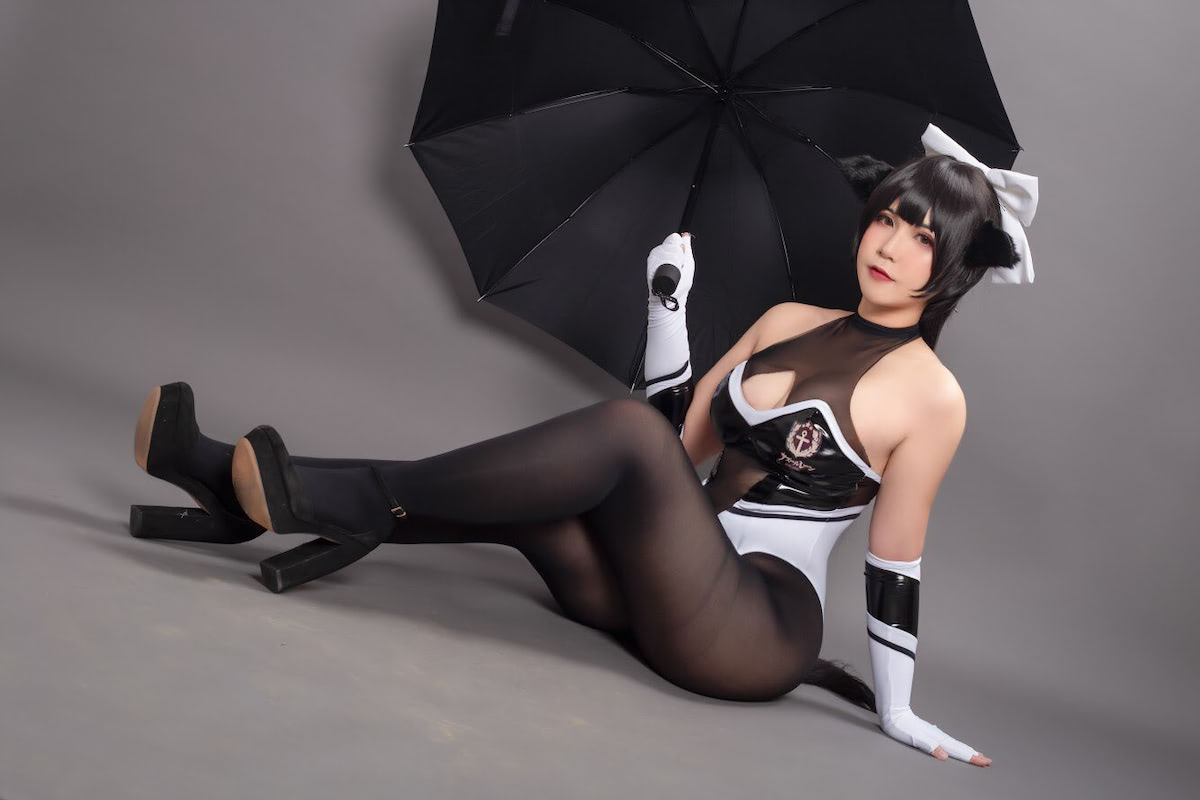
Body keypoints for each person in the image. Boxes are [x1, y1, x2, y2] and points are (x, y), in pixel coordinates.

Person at [133, 124, 1037, 768]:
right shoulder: (786, 319)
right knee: (538, 500)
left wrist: (898, 711)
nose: (891, 246)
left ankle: (308, 500)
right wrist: (667, 307)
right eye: (887, 218)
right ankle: (237, 488)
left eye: (923, 239)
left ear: (955, 269)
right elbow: (675, 448)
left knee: (620, 437)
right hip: (655, 586)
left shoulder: (933, 396)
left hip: (750, 629)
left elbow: (895, 563)